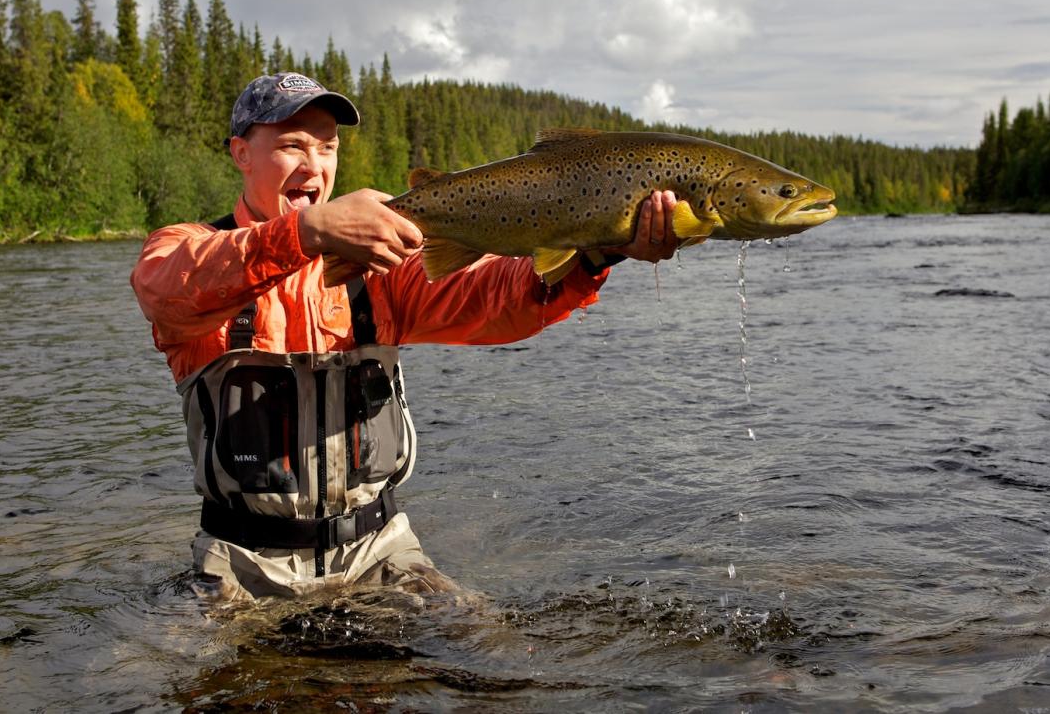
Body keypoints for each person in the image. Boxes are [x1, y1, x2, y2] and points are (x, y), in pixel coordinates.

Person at [131, 72, 678, 602]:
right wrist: (309, 232)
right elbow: (164, 287)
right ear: (240, 154)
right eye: (292, 146)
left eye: (327, 147)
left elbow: (497, 298)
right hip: (241, 562)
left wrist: (597, 251)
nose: (314, 165)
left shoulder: (381, 269)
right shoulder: (191, 247)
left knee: (500, 660)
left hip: (380, 553)